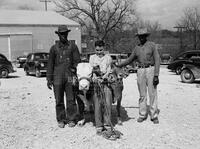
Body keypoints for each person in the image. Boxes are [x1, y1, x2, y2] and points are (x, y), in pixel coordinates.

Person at [117, 28, 160, 124]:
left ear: (146, 36)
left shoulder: (152, 45)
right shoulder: (136, 48)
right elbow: (130, 59)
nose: (141, 38)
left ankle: (154, 115)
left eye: (143, 36)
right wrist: (119, 65)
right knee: (142, 94)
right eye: (140, 36)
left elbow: (157, 60)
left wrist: (156, 75)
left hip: (151, 69)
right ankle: (142, 114)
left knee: (152, 93)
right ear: (138, 37)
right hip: (140, 70)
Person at [46, 25, 81, 128]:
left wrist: (75, 72)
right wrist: (49, 78)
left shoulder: (73, 46)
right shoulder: (54, 48)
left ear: (67, 34)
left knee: (71, 99)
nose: (63, 36)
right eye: (61, 34)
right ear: (58, 35)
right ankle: (61, 119)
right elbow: (50, 64)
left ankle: (71, 118)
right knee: (59, 99)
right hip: (57, 77)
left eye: (65, 33)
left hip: (70, 76)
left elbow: (77, 62)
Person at [89, 40, 115, 139]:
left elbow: (109, 69)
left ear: (104, 48)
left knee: (107, 104)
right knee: (97, 105)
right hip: (96, 84)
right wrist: (94, 77)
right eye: (97, 50)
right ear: (95, 49)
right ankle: (99, 126)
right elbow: (91, 70)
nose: (99, 52)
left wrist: (105, 76)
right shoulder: (92, 58)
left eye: (101, 50)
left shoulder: (108, 58)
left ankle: (107, 125)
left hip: (106, 83)